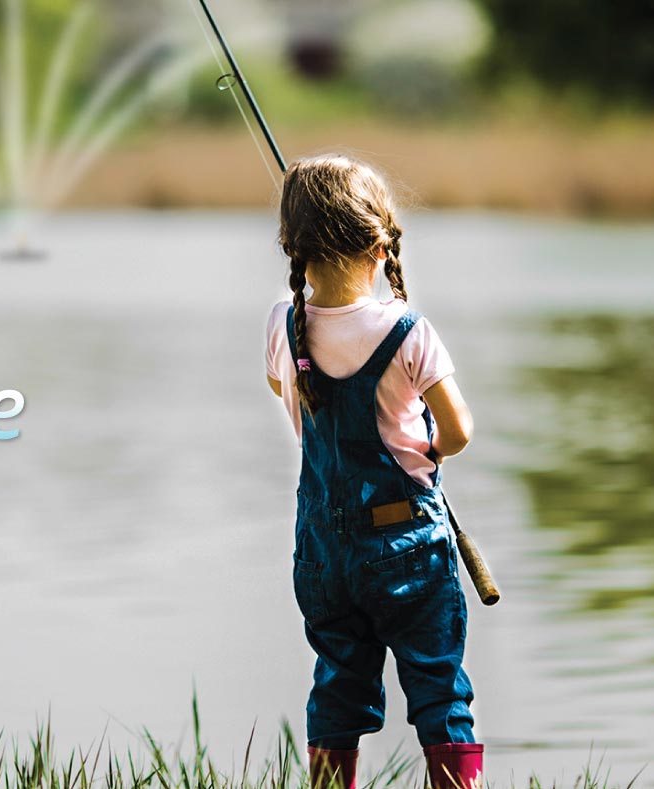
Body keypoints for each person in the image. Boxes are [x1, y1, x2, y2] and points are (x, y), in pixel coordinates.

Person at [263, 155, 482, 789]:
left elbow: (282, 382)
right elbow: (459, 431)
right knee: (439, 689)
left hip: (322, 554)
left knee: (337, 689)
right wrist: (429, 450)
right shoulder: (408, 329)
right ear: (381, 242)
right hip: (407, 546)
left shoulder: (282, 323)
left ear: (294, 246)